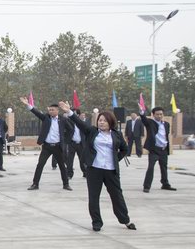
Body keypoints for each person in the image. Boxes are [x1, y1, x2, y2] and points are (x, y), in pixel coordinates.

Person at [60, 101, 136, 232]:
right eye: (100, 120)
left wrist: (115, 159)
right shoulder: (92, 132)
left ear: (110, 122)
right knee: (94, 197)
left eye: (104, 121)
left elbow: (124, 149)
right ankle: (97, 222)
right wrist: (69, 112)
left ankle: (125, 220)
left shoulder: (116, 134)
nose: (101, 122)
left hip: (111, 170)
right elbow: (80, 123)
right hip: (94, 169)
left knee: (117, 196)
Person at [20, 97, 73, 191]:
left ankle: (66, 184)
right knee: (40, 165)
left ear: (57, 110)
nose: (51, 111)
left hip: (58, 147)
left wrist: (64, 140)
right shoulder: (45, 118)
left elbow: (70, 130)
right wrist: (27, 104)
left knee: (62, 166)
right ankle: (35, 184)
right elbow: (36, 112)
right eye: (50, 110)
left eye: (53, 110)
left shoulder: (63, 119)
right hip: (47, 147)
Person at [139, 106, 176, 193]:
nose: (159, 116)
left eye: (161, 114)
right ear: (153, 115)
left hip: (163, 149)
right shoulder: (150, 122)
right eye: (157, 114)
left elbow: (165, 136)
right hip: (154, 150)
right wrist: (141, 112)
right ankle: (146, 186)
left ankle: (165, 184)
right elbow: (144, 119)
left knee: (164, 167)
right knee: (151, 167)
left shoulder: (166, 124)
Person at [65, 108, 87, 178]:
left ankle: (85, 172)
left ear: (78, 114)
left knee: (82, 159)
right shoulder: (68, 121)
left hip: (81, 144)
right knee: (70, 160)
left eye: (74, 113)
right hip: (72, 143)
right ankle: (69, 174)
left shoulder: (82, 123)